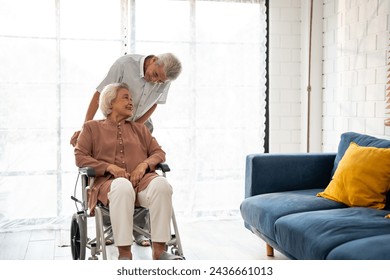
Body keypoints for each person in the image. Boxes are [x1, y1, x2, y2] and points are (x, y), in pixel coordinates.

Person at [70, 52, 182, 247]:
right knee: (115, 176)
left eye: (160, 80)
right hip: (109, 123)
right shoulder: (124, 65)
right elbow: (100, 94)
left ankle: (140, 231)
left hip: (139, 123)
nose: (155, 81)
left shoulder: (165, 77)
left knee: (143, 176)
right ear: (153, 60)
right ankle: (112, 229)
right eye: (155, 75)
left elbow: (154, 103)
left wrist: (135, 127)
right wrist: (85, 127)